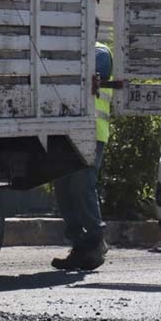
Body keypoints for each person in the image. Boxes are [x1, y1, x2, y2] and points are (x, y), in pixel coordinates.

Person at [52, 40, 114, 271]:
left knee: (81, 184)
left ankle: (96, 238)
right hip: (68, 132)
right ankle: (80, 246)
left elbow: (83, 72)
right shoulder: (72, 50)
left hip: (93, 131)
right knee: (63, 186)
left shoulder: (101, 52)